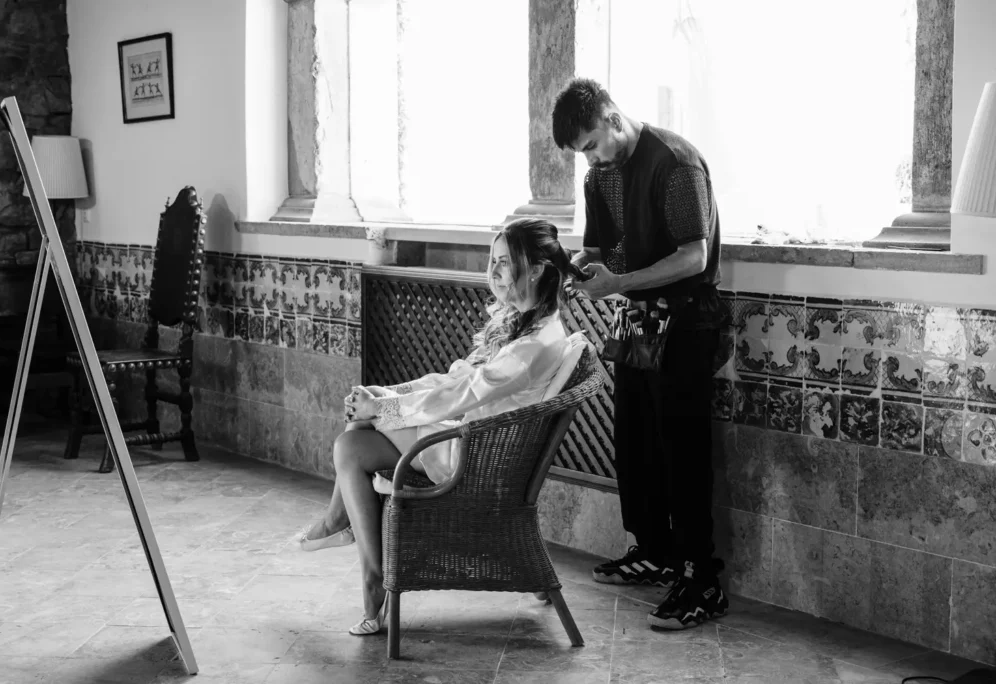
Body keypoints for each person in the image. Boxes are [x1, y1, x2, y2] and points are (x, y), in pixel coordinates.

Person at [298, 217, 589, 636]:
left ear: (538, 270)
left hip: (470, 459)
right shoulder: (528, 323)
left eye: (505, 262)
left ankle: (346, 540)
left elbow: (461, 395)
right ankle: (361, 556)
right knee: (352, 443)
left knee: (356, 432)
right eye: (493, 260)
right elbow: (456, 380)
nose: (494, 271)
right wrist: (388, 395)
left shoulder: (532, 347)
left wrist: (381, 408)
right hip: (463, 440)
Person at [551, 77, 729, 630]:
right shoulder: (599, 176)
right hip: (635, 321)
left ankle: (702, 580)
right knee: (635, 444)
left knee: (682, 452)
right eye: (582, 153)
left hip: (687, 321)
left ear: (612, 117)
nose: (590, 159)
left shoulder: (675, 163)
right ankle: (655, 551)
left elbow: (694, 257)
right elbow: (598, 250)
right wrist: (577, 272)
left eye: (591, 145)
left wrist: (621, 281)